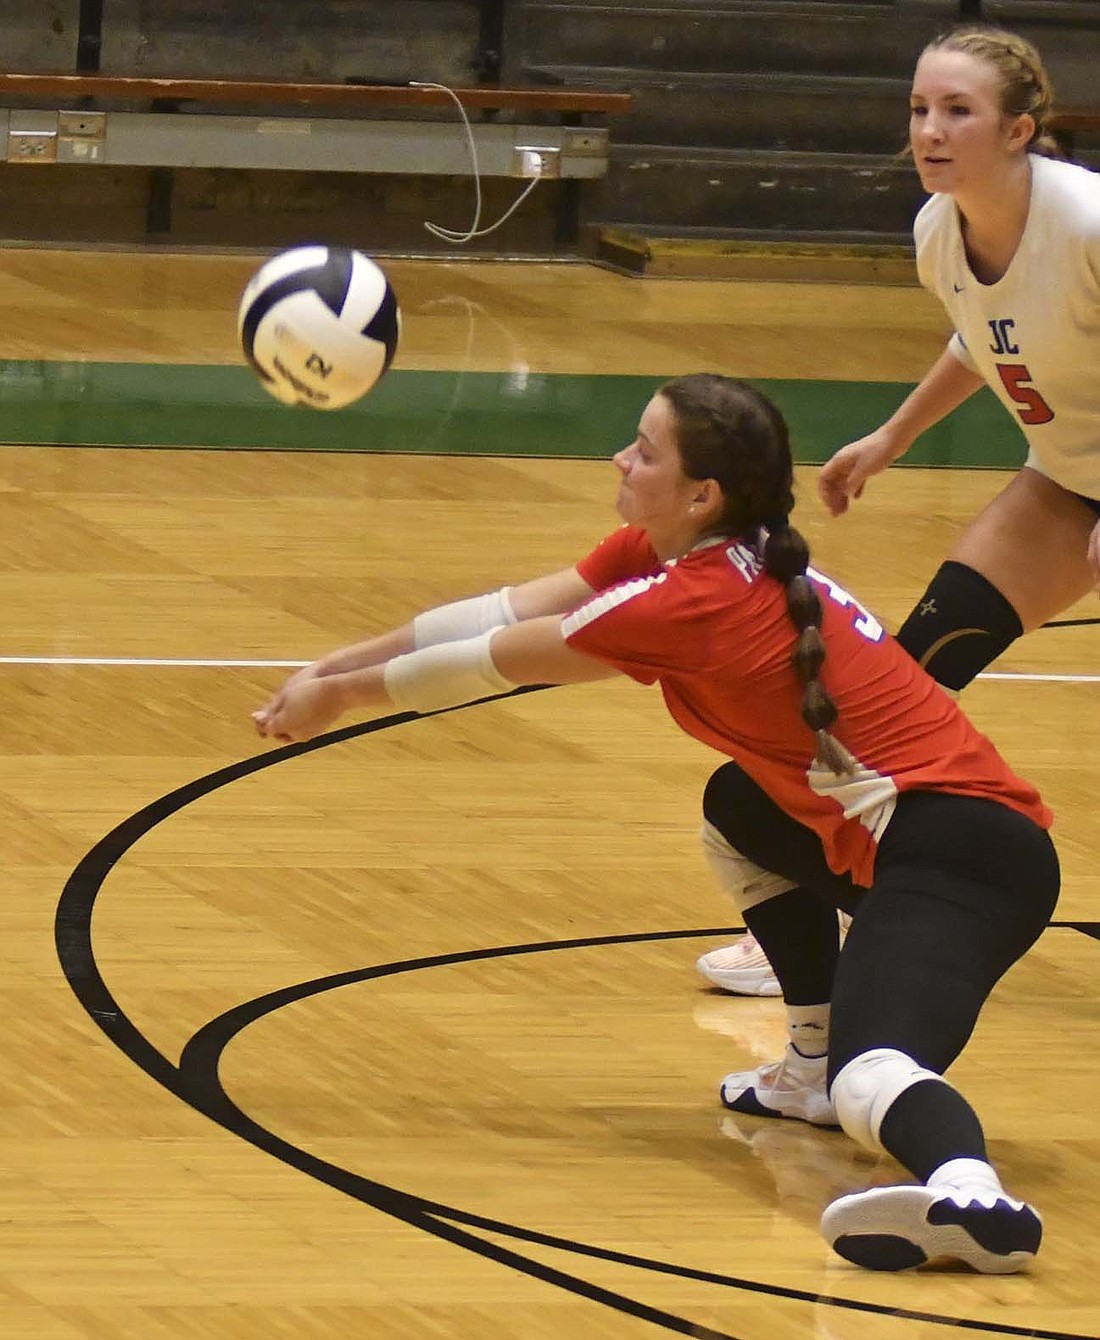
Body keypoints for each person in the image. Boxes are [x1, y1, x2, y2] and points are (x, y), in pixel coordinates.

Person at [253, 374, 1060, 1273]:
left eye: (643, 450)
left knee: (876, 1076)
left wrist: (339, 696)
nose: (620, 460)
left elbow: (492, 661)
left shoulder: (692, 602)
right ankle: (808, 1065)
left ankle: (970, 1194)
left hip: (967, 861)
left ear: (702, 493)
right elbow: (506, 608)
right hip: (923, 838)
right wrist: (335, 662)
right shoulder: (686, 552)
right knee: (737, 807)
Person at [697, 21, 1099, 1000]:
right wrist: (889, 436)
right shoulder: (938, 230)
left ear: (1018, 131)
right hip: (1066, 477)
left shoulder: (1084, 225)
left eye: (956, 110)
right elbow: (982, 336)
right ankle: (813, 875)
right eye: (919, 108)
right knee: (900, 676)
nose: (928, 128)